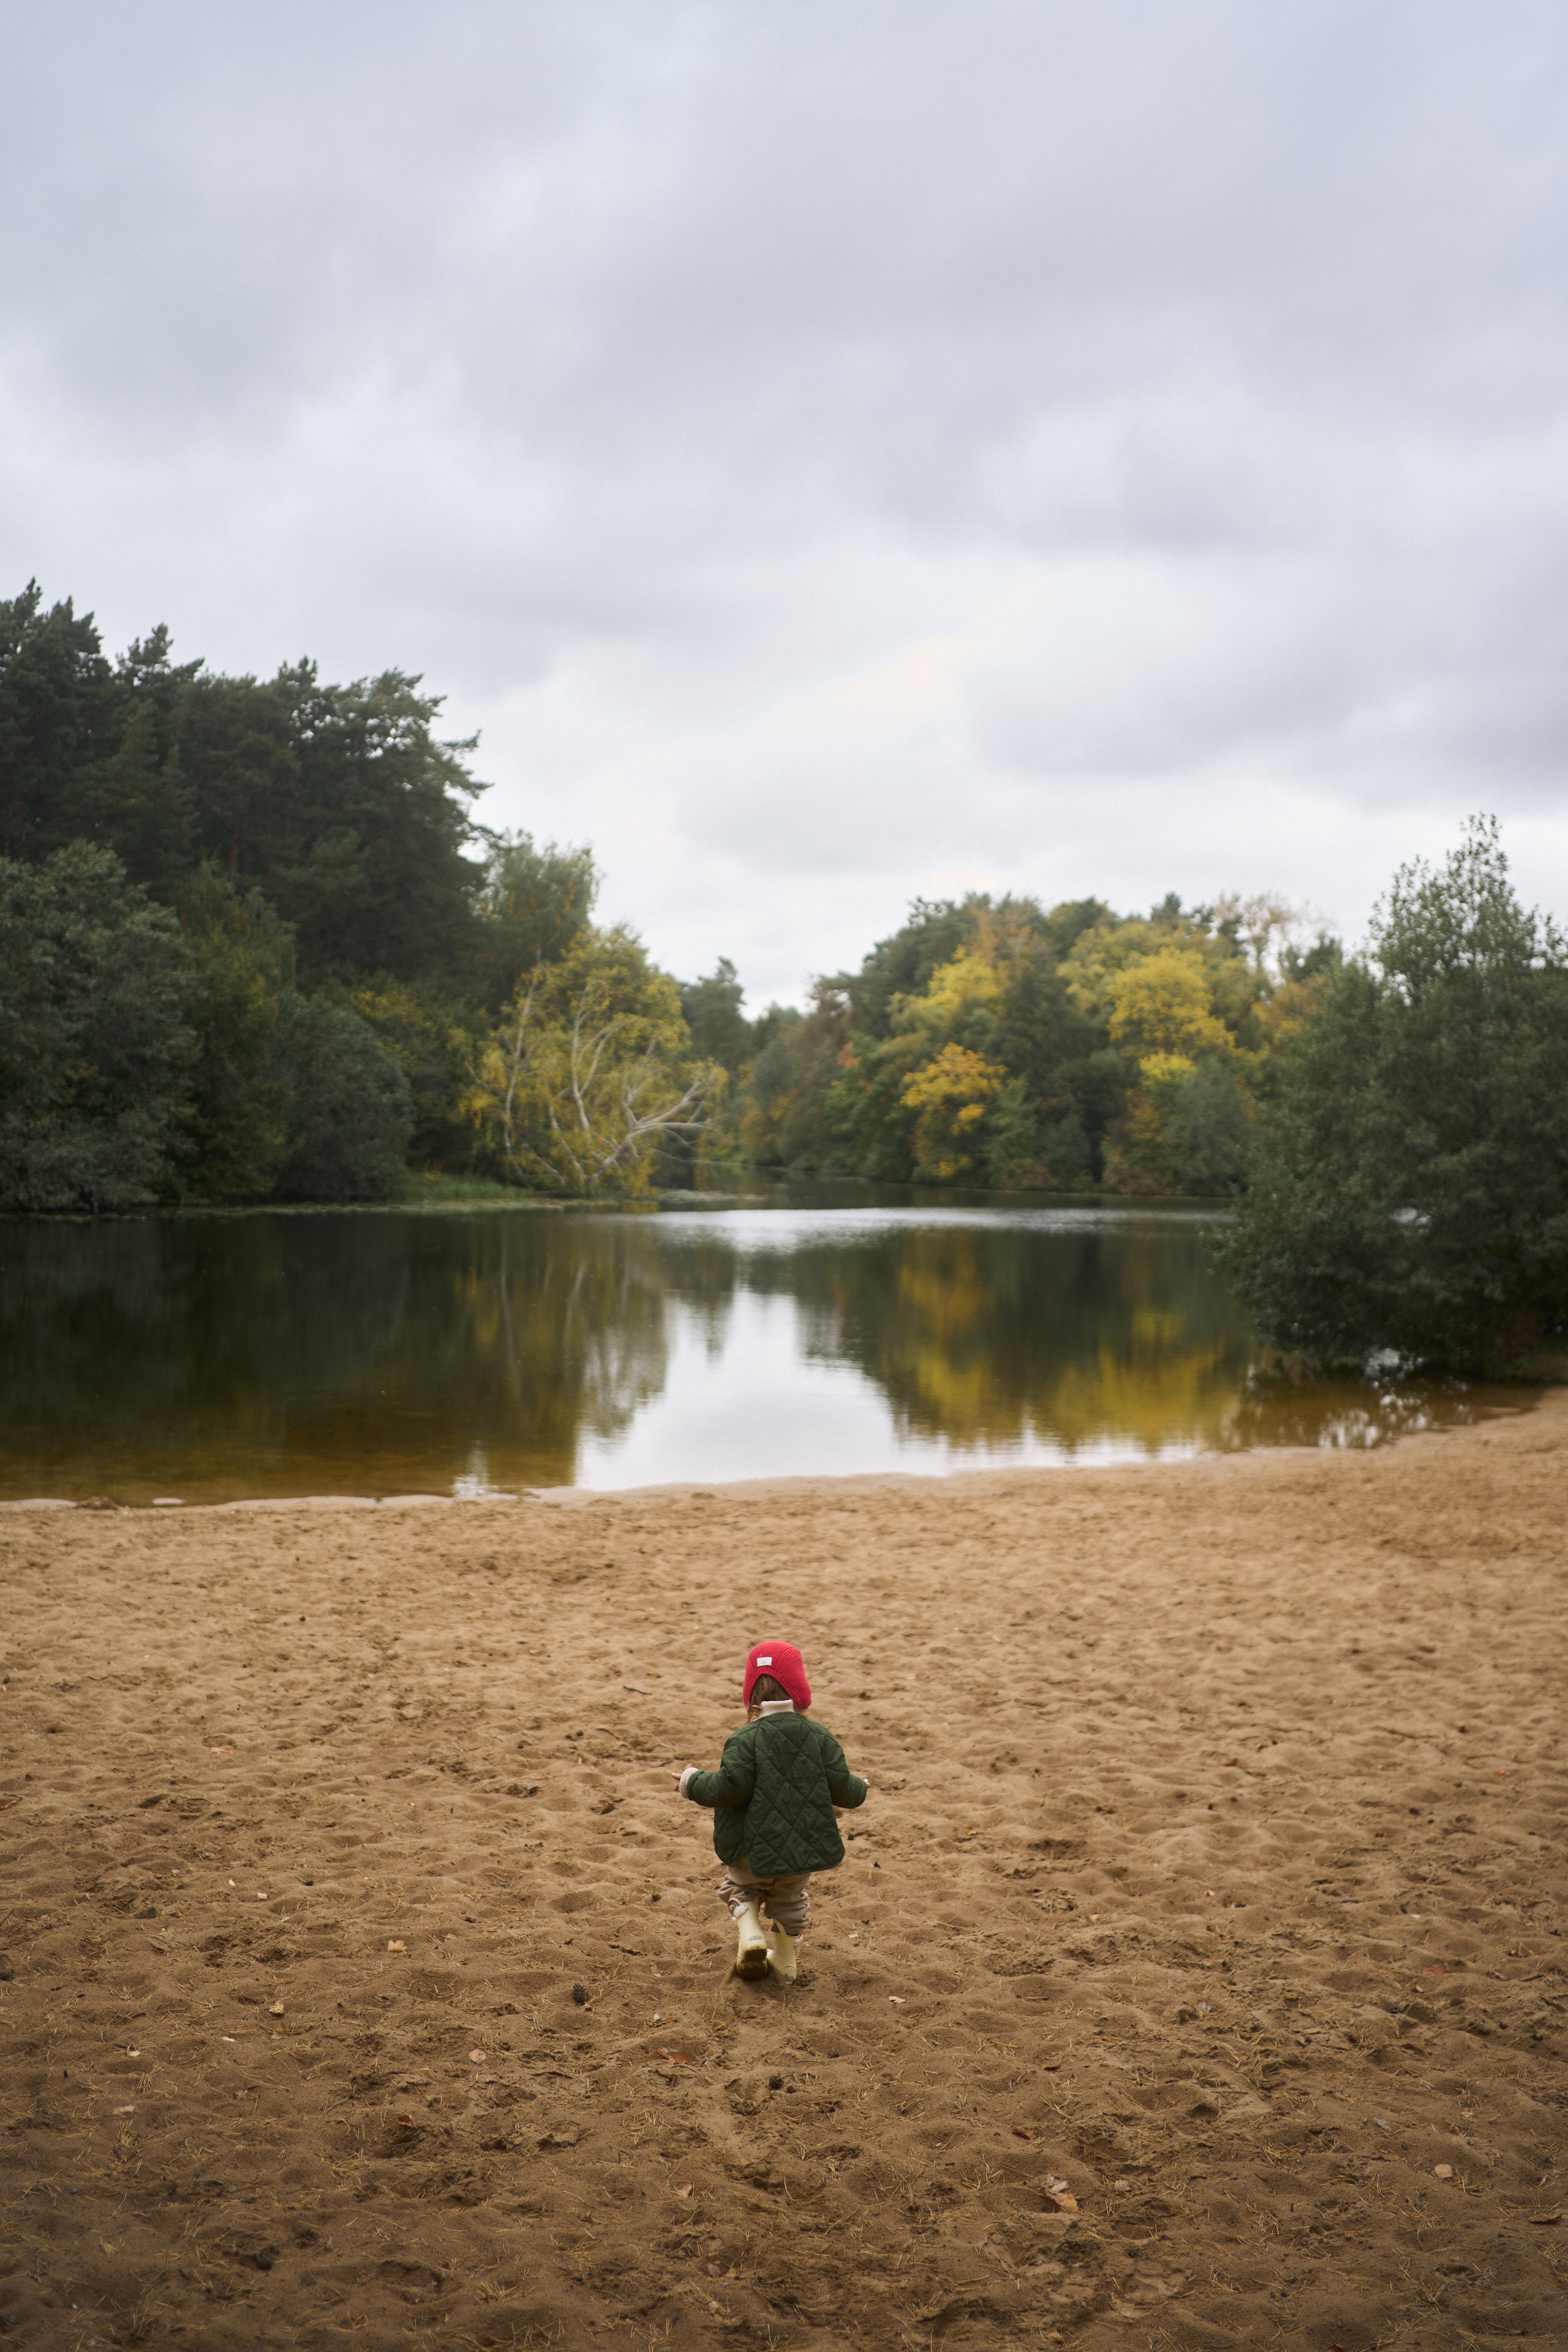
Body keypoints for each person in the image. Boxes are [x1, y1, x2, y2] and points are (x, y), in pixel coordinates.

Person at [672, 1638, 868, 1981]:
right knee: (790, 1901)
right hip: (801, 1849)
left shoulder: (744, 1739)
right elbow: (844, 1790)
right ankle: (786, 1963)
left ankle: (750, 1934)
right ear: (800, 1687)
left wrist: (692, 1781)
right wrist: (861, 1786)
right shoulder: (819, 1735)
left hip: (752, 1848)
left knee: (740, 1887)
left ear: (750, 1692)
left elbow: (728, 1788)